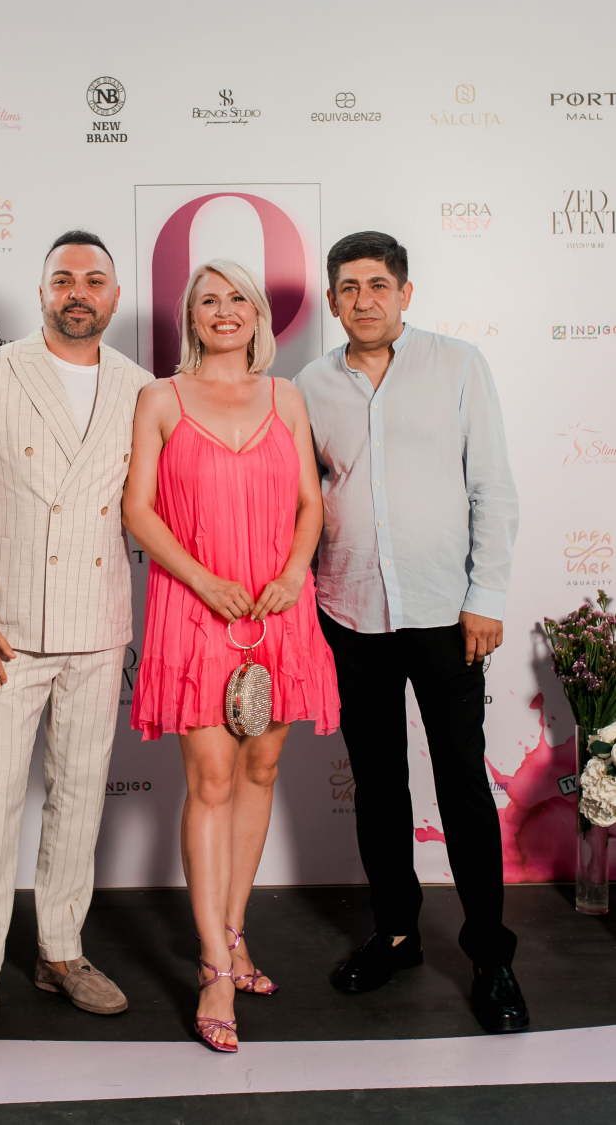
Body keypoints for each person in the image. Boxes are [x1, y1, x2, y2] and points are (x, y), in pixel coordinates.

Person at [294, 231, 528, 1033]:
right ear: (333, 300)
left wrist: (485, 595)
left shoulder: (459, 365)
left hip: (445, 612)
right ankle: (395, 933)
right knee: (378, 784)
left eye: (378, 284)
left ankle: (491, 955)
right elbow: (306, 495)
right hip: (349, 610)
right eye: (349, 287)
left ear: (405, 292)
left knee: (462, 783)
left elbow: (492, 486)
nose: (364, 299)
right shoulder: (310, 384)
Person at [0, 230, 153, 1064]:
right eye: (63, 278)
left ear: (115, 297)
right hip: (7, 635)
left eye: (94, 279)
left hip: (98, 629)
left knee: (80, 798)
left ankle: (61, 952)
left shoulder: (139, 386)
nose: (78, 291)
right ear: (42, 292)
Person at [123, 259, 339, 1052]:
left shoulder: (288, 398)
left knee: (261, 768)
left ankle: (236, 931)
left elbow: (311, 503)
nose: (223, 309)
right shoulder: (160, 398)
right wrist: (202, 580)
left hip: (278, 607)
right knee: (211, 779)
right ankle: (214, 964)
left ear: (257, 315)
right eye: (207, 299)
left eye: (237, 298)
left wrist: (293, 572)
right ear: (191, 316)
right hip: (196, 606)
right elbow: (138, 510)